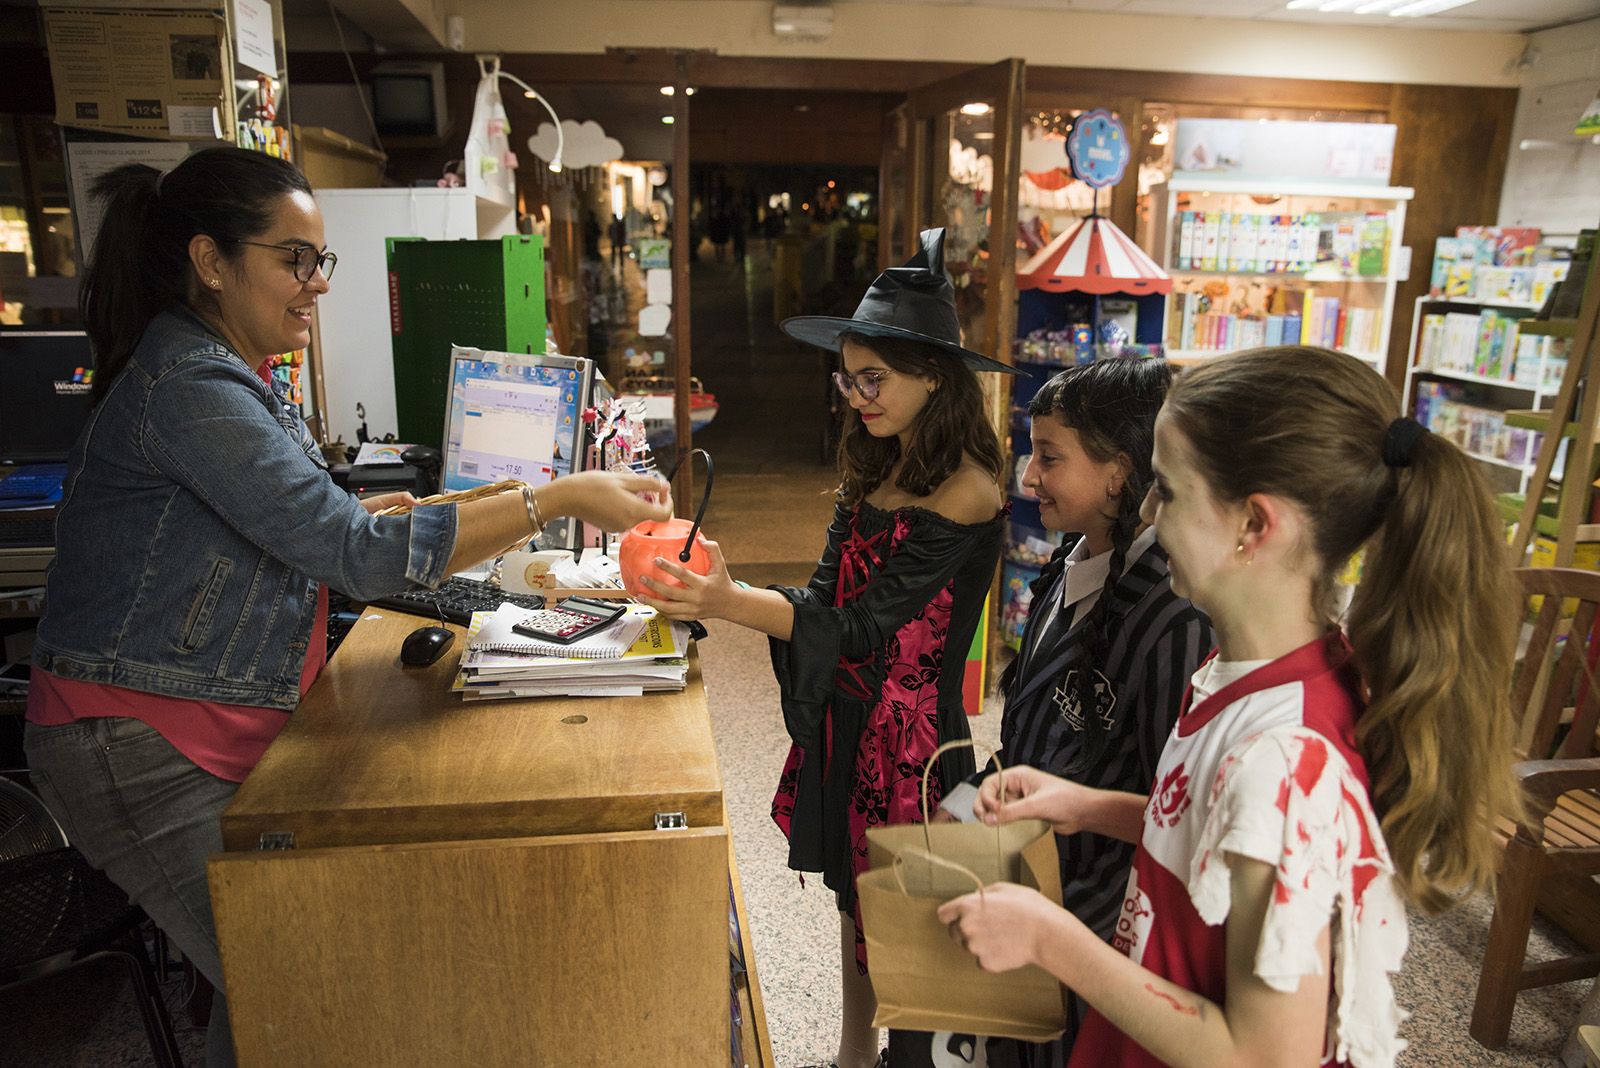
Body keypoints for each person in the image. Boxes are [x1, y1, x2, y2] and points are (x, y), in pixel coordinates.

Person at [23, 147, 671, 1068]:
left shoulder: (231, 371)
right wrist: (554, 497)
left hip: (197, 717)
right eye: (295, 259)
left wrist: (362, 519)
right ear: (212, 261)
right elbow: (355, 559)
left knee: (277, 983)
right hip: (135, 744)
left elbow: (306, 529)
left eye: (319, 260)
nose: (317, 283)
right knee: (297, 985)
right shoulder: (192, 387)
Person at [939, 345, 1524, 1068]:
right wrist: (1090, 806)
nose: (1145, 510)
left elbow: (1264, 1054)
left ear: (1254, 525)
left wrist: (1050, 938)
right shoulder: (1244, 674)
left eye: (1167, 490)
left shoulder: (1284, 760)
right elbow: (1219, 833)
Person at [640, 228, 1019, 1068]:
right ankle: (852, 1054)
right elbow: (822, 600)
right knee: (855, 903)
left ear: (935, 375)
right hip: (855, 717)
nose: (856, 396)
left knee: (909, 919)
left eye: (873, 378)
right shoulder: (876, 466)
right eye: (848, 378)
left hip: (914, 743)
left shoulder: (969, 490)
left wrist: (732, 601)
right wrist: (734, 592)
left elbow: (863, 628)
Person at [908, 359, 1212, 1068]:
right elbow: (1031, 737)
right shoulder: (1068, 562)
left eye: (1050, 457)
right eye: (1031, 452)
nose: (1028, 477)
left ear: (1119, 472)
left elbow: (1175, 816)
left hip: (1087, 930)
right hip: (1024, 885)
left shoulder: (1174, 620)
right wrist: (969, 797)